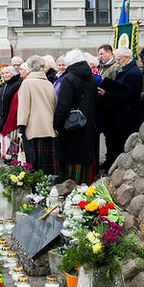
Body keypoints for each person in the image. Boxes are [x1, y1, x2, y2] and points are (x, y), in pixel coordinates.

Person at [54, 49, 98, 185]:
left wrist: (56, 124)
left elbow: (63, 105)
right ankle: (86, 184)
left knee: (73, 155)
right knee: (85, 154)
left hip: (72, 126)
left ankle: (73, 185)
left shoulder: (69, 78)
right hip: (88, 123)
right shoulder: (90, 77)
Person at [98, 46, 143, 171]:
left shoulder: (133, 72)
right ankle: (110, 162)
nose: (117, 62)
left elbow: (128, 94)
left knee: (121, 142)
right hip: (118, 112)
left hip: (127, 114)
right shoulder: (125, 70)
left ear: (127, 58)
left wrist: (106, 94)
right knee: (113, 140)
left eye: (119, 60)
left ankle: (118, 167)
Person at [17, 56, 58, 176]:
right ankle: (47, 187)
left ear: (29, 68)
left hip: (33, 129)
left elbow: (24, 107)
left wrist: (21, 128)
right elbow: (53, 105)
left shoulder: (27, 83)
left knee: (35, 164)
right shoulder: (49, 83)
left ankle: (36, 190)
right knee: (48, 165)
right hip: (48, 128)